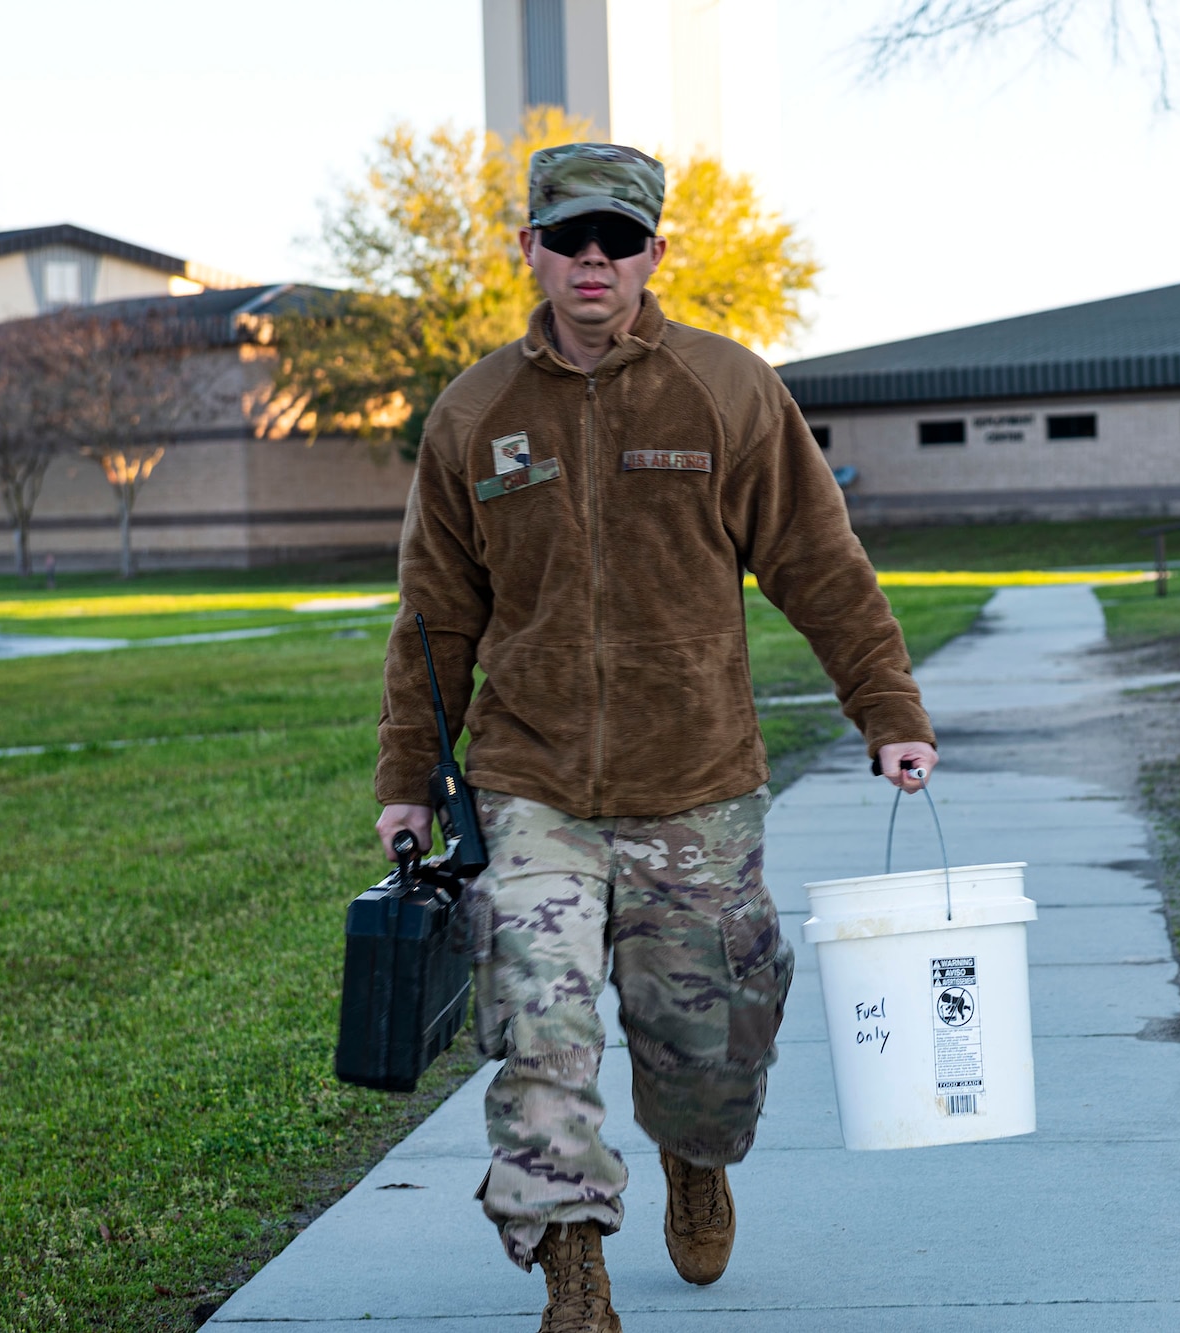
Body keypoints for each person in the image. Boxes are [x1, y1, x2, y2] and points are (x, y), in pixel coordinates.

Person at [372, 142, 938, 1333]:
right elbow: (434, 617)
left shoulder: (727, 389)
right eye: (568, 236)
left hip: (696, 787)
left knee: (708, 1049)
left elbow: (819, 565)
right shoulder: (474, 414)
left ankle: (696, 1158)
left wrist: (887, 711)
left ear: (653, 255)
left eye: (617, 239)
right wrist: (410, 781)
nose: (593, 258)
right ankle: (572, 1269)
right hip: (531, 788)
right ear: (525, 247)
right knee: (542, 1023)